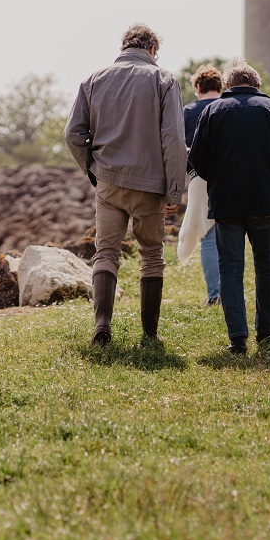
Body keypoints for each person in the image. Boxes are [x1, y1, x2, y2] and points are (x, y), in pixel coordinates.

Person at [64, 23, 187, 346]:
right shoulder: (164, 80)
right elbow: (173, 139)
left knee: (105, 252)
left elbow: (72, 135)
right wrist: (175, 189)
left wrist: (92, 169)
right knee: (152, 255)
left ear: (123, 47)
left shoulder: (93, 80)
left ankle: (102, 326)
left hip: (108, 182)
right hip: (150, 185)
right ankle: (149, 334)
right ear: (152, 51)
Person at [187, 61, 270, 355]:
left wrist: (219, 178)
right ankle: (266, 330)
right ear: (258, 85)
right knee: (266, 264)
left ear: (228, 85)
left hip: (227, 201)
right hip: (265, 198)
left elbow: (197, 157)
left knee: (230, 267)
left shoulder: (213, 111)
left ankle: (238, 337)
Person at [179, 64, 224, 306]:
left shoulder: (187, 112)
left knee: (207, 235)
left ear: (198, 87)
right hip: (230, 177)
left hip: (199, 178)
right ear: (220, 86)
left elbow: (179, 147)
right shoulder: (229, 106)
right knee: (230, 234)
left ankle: (215, 294)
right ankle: (231, 291)